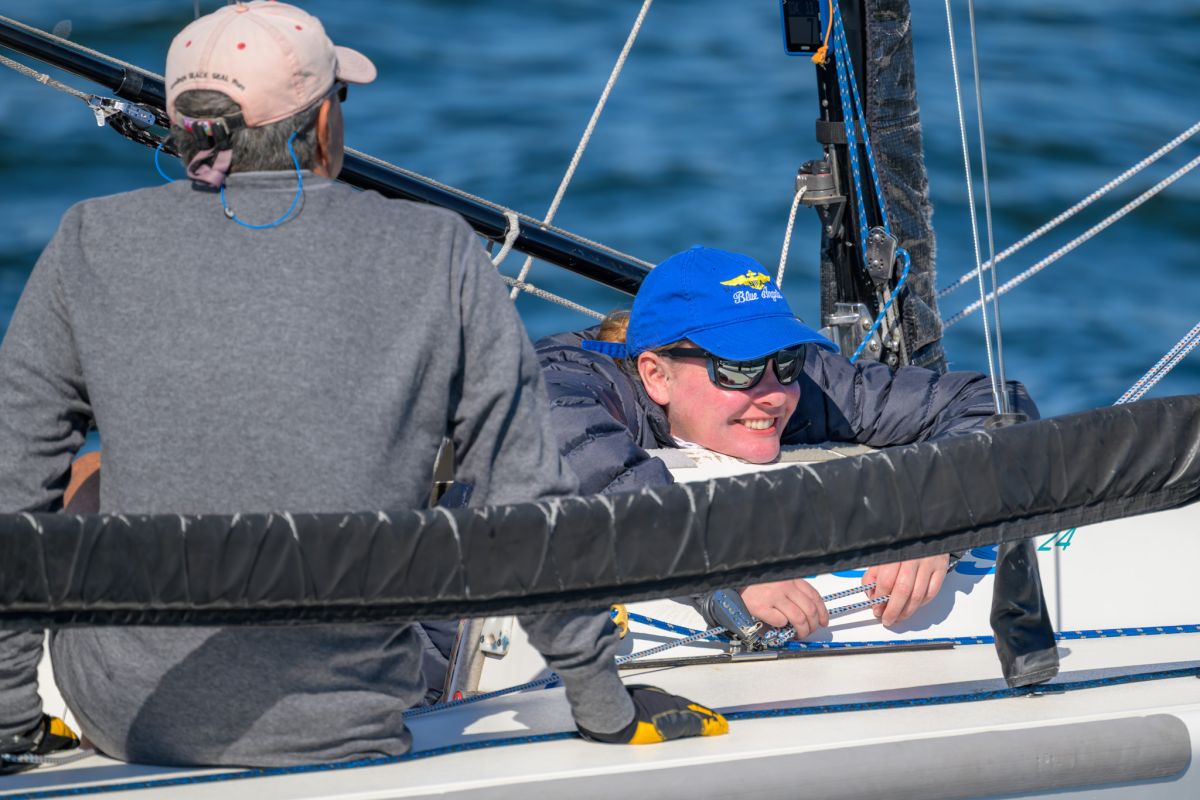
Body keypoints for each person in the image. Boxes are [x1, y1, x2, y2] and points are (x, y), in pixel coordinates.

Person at [0, 2, 722, 770]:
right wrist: (605, 707)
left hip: (131, 716)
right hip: (351, 718)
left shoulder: (89, 238)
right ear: (321, 124)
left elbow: (15, 483)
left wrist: (11, 715)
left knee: (91, 479)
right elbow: (526, 497)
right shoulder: (436, 248)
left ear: (185, 128)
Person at [537, 246, 1039, 638]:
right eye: (737, 369)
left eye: (786, 360)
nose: (774, 393)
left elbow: (996, 403)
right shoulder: (562, 384)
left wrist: (940, 515)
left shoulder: (802, 381)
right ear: (656, 376)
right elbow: (581, 457)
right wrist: (729, 568)